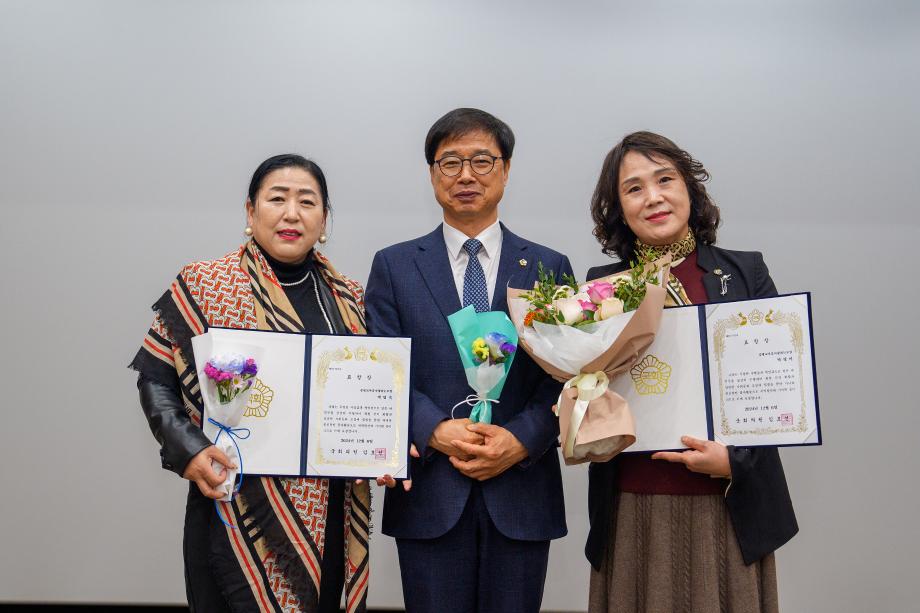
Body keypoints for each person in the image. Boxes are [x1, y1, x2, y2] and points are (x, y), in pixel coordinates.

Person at [129, 155, 371, 613]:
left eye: (307, 202)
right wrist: (190, 449)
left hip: (326, 514)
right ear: (250, 211)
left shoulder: (349, 299)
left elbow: (367, 395)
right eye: (277, 199)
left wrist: (377, 449)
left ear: (324, 219)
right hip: (229, 506)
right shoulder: (205, 284)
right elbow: (155, 378)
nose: (291, 213)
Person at [365, 108, 571, 613]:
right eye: (450, 162)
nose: (465, 176)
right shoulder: (394, 265)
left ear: (506, 169)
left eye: (482, 160)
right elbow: (383, 368)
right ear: (432, 173)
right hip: (432, 490)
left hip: (521, 489)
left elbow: (565, 375)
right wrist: (434, 429)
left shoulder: (548, 266)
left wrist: (520, 440)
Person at [584, 131, 798, 613]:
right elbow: (591, 386)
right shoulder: (600, 288)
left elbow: (778, 387)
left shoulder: (744, 273)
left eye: (665, 180)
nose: (653, 197)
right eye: (634, 188)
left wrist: (735, 461)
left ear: (689, 189)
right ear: (618, 208)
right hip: (632, 498)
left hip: (726, 499)